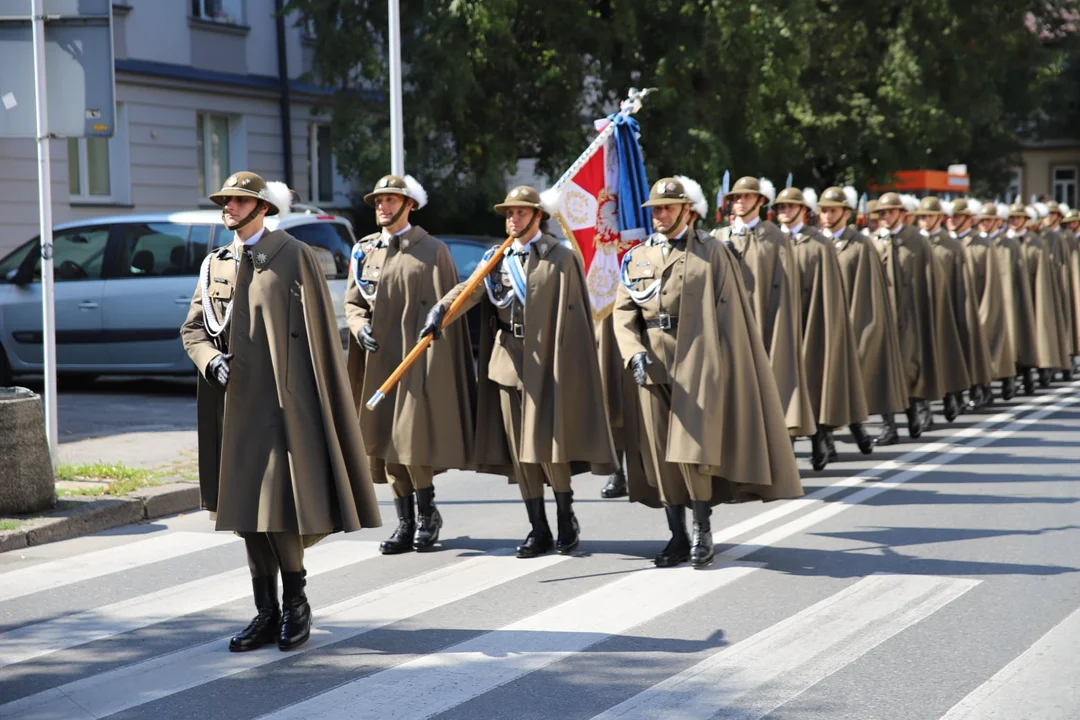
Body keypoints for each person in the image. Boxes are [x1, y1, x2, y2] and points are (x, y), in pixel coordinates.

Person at [181, 172, 382, 652]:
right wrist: (212, 362)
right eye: (225, 200)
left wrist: (310, 409)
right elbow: (193, 329)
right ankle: (265, 613)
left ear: (262, 208)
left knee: (278, 512)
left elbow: (317, 341)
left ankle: (296, 603)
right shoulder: (217, 264)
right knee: (245, 515)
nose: (228, 207)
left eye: (238, 200)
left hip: (280, 410)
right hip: (232, 410)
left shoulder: (295, 256)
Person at [614, 177, 802, 568]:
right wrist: (632, 353)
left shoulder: (713, 252)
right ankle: (676, 535)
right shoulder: (638, 257)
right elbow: (623, 313)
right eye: (656, 210)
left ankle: (702, 528)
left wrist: (724, 367)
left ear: (688, 210)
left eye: (668, 208)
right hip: (652, 362)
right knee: (659, 452)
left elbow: (729, 314)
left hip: (698, 362)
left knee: (693, 450)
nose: (661, 215)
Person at [419, 186, 616, 558]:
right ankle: (537, 527)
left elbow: (574, 318)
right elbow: (469, 290)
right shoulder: (498, 257)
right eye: (509, 213)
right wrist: (440, 313)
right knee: (521, 451)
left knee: (549, 448)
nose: (513, 219)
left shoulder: (560, 258)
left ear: (537, 216)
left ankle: (564, 516)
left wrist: (568, 367)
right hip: (508, 361)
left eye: (521, 213)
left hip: (549, 363)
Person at [344, 175, 476, 555]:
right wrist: (358, 325)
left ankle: (427, 514)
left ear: (409, 205)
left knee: (411, 444)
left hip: (415, 361)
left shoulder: (432, 250)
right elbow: (353, 303)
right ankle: (404, 523)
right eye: (378, 202)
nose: (382, 208)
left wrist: (439, 319)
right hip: (376, 362)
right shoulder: (363, 251)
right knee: (383, 443)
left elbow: (450, 301)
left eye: (390, 201)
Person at [711, 177, 816, 443]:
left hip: (764, 328)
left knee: (770, 396)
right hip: (727, 330)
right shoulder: (717, 237)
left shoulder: (776, 239)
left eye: (747, 197)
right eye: (736, 197)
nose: (740, 202)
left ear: (760, 201)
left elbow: (784, 293)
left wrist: (777, 333)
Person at [773, 187, 870, 468]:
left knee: (813, 384)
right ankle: (787, 448)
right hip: (780, 326)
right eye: (781, 207)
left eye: (791, 207)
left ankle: (819, 440)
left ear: (803, 210)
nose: (785, 212)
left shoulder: (818, 244)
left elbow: (828, 296)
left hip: (809, 324)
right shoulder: (772, 241)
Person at [818, 186, 908, 446]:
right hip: (824, 324)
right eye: (823, 211)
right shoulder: (816, 242)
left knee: (861, 375)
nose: (826, 215)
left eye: (832, 210)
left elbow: (868, 293)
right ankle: (827, 439)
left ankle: (870, 426)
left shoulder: (860, 245)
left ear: (845, 214)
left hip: (852, 321)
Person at [871, 192, 943, 439]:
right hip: (883, 317)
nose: (886, 217)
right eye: (882, 213)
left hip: (910, 314)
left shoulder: (916, 241)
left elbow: (930, 278)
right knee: (883, 370)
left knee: (908, 367)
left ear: (902, 214)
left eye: (891, 212)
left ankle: (914, 412)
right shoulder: (874, 242)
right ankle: (889, 426)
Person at [915, 196, 990, 423]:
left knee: (946, 355)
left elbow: (961, 284)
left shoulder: (952, 246)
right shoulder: (916, 244)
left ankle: (951, 394)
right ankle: (922, 408)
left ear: (939, 218)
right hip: (920, 310)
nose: (925, 221)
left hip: (946, 310)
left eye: (929, 216)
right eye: (922, 217)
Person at [950, 199, 1009, 410]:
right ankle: (956, 395)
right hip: (956, 307)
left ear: (968, 219)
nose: (953, 220)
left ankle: (982, 391)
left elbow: (991, 283)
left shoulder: (983, 246)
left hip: (977, 307)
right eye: (951, 216)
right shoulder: (951, 244)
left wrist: (984, 313)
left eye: (958, 217)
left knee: (977, 351)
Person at [1008, 202, 1069, 388]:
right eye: (1012, 218)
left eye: (1018, 217)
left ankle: (1037, 370)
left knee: (1036, 331)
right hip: (1014, 294)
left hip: (1034, 294)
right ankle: (1018, 370)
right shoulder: (1005, 241)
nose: (1014, 221)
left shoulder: (1037, 243)